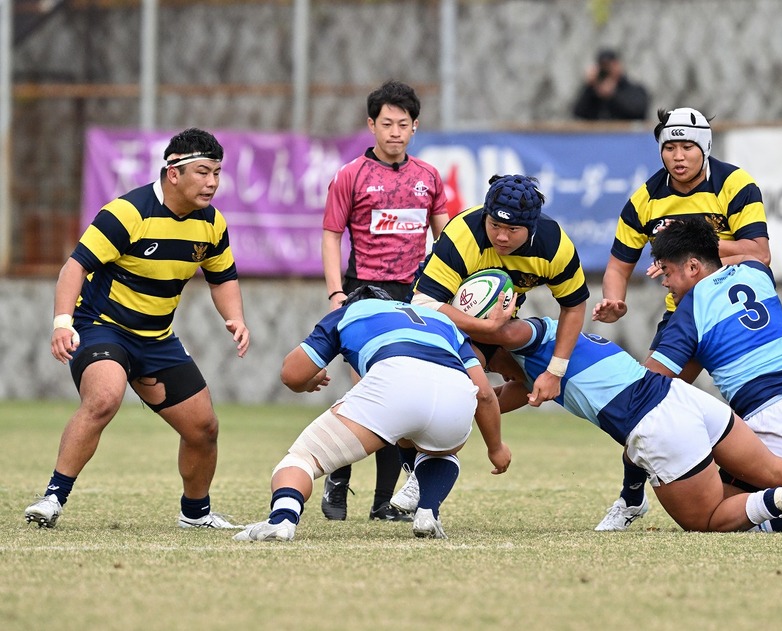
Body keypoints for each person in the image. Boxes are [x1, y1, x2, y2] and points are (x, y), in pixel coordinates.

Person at [478, 316, 782, 535]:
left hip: (654, 423)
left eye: (483, 363)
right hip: (685, 399)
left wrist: (467, 320)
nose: (487, 373)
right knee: (771, 465)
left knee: (706, 519)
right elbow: (494, 400)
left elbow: (509, 335)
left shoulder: (527, 334)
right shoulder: (542, 357)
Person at [25, 128, 250, 530]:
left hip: (157, 339)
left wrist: (235, 318)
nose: (212, 182)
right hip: (101, 328)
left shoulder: (212, 224)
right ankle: (52, 499)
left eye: (217, 172)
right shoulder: (127, 213)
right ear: (174, 173)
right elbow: (74, 267)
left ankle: (195, 515)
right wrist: (62, 323)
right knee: (104, 398)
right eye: (203, 171)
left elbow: (222, 277)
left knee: (204, 427)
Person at [591, 106, 771, 530]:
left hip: (736, 316)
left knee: (766, 412)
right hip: (684, 320)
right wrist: (614, 300)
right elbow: (619, 263)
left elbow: (758, 253)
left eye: (687, 146)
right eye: (669, 146)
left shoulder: (735, 184)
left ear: (705, 147)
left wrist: (695, 245)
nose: (678, 155)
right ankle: (631, 497)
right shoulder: (647, 197)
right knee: (644, 403)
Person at [635, 218, 782, 532]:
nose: (664, 282)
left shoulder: (690, 309)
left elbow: (648, 385)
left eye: (667, 271)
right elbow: (749, 256)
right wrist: (699, 244)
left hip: (776, 426)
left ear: (692, 267)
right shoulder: (756, 272)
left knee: (715, 507)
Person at [233, 286, 510, 542]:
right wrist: (495, 447)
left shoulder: (349, 312)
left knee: (302, 460)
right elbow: (484, 393)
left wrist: (310, 381)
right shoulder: (442, 321)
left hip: (394, 380)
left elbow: (291, 375)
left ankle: (282, 519)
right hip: (455, 391)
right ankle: (427, 510)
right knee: (440, 450)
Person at [320, 79, 450, 523]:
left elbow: (445, 238)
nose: (395, 131)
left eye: (404, 124)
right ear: (371, 125)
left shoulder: (429, 177)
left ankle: (382, 503)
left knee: (400, 396)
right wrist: (337, 292)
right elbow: (331, 234)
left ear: (415, 127)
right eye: (387, 123)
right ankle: (337, 474)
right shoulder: (350, 175)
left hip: (415, 297)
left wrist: (450, 293)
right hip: (364, 294)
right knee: (370, 394)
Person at [411, 174, 590, 408]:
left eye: (513, 229)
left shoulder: (554, 246)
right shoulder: (462, 233)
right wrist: (486, 327)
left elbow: (574, 306)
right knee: (460, 382)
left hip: (497, 322)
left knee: (535, 379)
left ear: (531, 227)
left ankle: (470, 413)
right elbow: (423, 304)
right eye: (494, 225)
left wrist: (555, 371)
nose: (501, 236)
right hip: (442, 321)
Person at [572, 48, 650, 121]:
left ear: (618, 65)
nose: (606, 70)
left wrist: (613, 95)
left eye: (609, 66)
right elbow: (578, 113)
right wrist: (589, 87)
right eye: (603, 66)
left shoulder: (633, 89)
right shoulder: (593, 91)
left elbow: (638, 111)